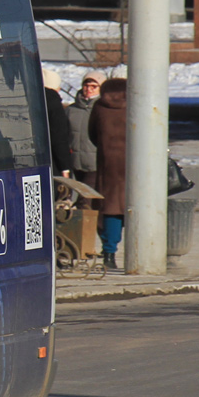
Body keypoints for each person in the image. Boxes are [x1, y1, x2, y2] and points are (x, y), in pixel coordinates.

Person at [89, 76, 128, 269]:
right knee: (133, 208)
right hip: (134, 166)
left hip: (108, 167)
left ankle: (109, 254)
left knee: (111, 209)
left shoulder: (99, 107)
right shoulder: (135, 104)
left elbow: (92, 134)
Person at [66, 71, 105, 201]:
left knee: (85, 200)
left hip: (94, 164)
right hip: (75, 162)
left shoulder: (102, 109)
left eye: (94, 86)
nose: (89, 89)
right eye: (86, 86)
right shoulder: (72, 110)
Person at [42, 69, 72, 178]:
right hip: (53, 163)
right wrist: (65, 167)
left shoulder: (31, 99)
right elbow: (59, 137)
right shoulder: (53, 103)